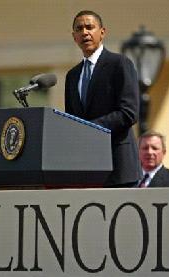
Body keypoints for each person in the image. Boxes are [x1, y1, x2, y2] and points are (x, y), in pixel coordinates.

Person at [65, 10, 141, 187]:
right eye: (79, 29)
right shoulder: (72, 76)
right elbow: (71, 121)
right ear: (74, 37)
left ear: (102, 32)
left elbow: (129, 113)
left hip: (118, 167)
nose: (85, 32)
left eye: (90, 27)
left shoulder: (119, 64)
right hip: (86, 169)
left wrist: (90, 128)